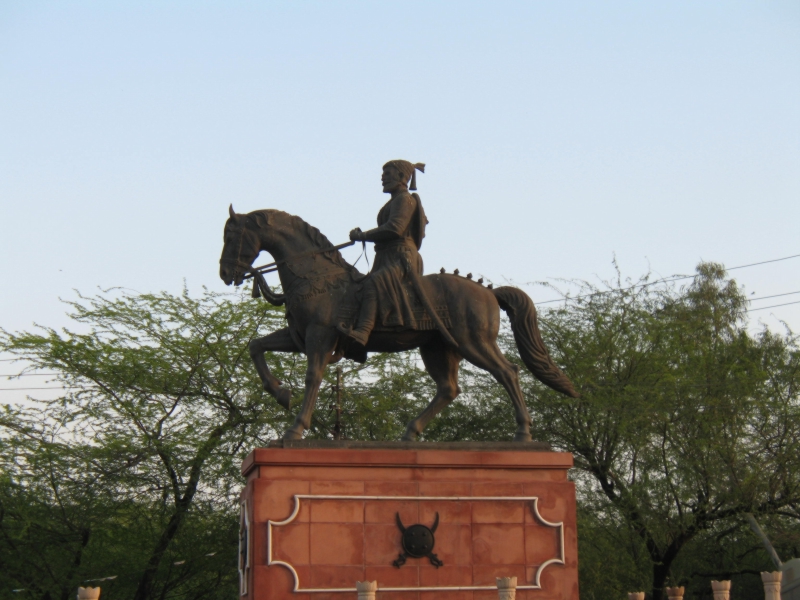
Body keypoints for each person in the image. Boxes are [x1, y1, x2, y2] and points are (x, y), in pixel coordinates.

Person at [338, 159, 428, 348]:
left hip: (401, 257)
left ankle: (363, 331)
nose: (382, 178)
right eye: (383, 174)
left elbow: (395, 228)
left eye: (388, 174)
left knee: (374, 283)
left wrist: (363, 235)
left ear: (402, 177)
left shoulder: (405, 199)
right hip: (387, 256)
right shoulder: (394, 201)